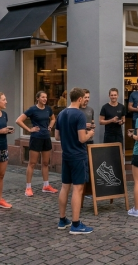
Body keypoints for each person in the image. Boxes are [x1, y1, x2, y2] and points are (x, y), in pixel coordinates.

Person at [56, 88, 95, 234]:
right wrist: (89, 133)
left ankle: (62, 219)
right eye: (83, 98)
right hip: (78, 155)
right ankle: (76, 224)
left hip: (66, 154)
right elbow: (81, 139)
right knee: (78, 189)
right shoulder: (79, 114)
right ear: (79, 99)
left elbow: (57, 136)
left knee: (65, 187)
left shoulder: (61, 113)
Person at [16, 91, 58, 197]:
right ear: (37, 98)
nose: (45, 99)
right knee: (32, 163)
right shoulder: (32, 109)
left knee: (45, 163)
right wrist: (29, 129)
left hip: (46, 138)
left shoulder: (48, 109)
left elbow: (53, 118)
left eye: (46, 97)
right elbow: (19, 120)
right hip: (36, 138)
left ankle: (46, 185)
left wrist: (50, 126)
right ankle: (28, 187)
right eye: (43, 97)